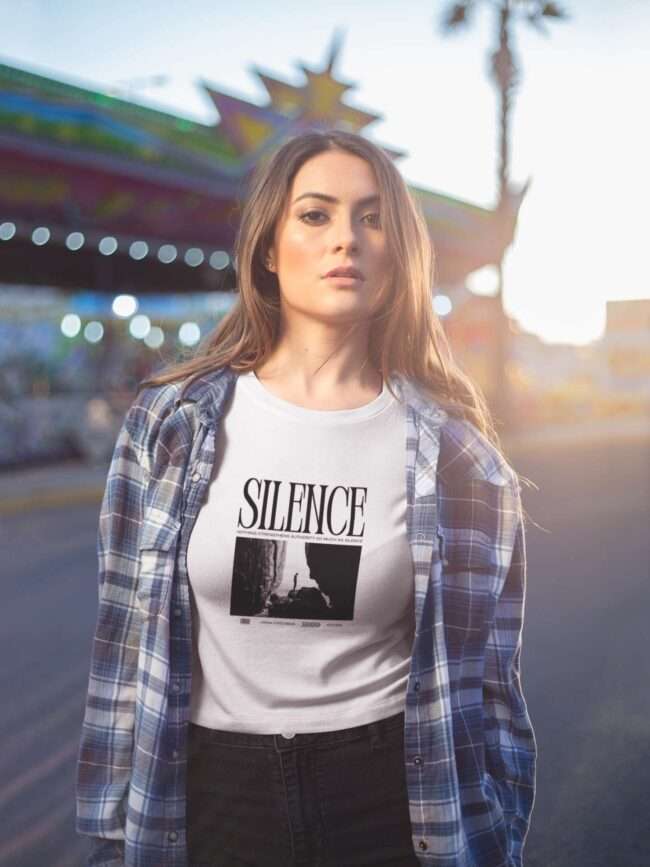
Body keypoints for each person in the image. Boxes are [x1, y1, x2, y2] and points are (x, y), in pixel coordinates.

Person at [75, 129, 537, 867]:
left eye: (372, 217)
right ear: (268, 245)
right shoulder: (172, 422)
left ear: (399, 251)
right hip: (212, 797)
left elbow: (489, 692)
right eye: (315, 215)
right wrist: (111, 831)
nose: (345, 240)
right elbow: (124, 647)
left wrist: (493, 837)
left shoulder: (458, 459)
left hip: (388, 801)